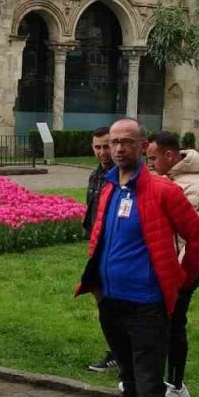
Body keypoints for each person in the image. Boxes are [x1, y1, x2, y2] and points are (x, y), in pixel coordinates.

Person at [78, 119, 199, 397]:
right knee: (129, 379)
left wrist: (181, 277)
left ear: (142, 148)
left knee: (150, 389)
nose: (118, 148)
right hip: (111, 301)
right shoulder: (109, 186)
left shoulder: (163, 190)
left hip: (147, 306)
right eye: (113, 142)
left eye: (127, 142)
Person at [145, 131, 199, 397]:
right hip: (160, 269)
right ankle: (157, 381)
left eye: (153, 158)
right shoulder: (166, 180)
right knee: (157, 326)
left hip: (181, 273)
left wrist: (181, 278)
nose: (149, 164)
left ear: (169, 156)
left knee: (173, 327)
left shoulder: (195, 188)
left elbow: (197, 237)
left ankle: (175, 385)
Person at [83, 126, 118, 374]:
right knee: (102, 299)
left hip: (116, 248)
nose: (102, 152)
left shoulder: (121, 176)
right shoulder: (96, 176)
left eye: (107, 146)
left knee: (117, 301)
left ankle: (118, 352)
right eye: (98, 147)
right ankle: (115, 348)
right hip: (97, 248)